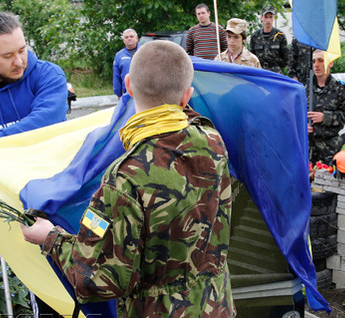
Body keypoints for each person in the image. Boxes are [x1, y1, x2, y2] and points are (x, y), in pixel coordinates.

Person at [21, 40, 236, 318]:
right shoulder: (213, 141)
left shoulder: (123, 178)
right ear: (187, 96)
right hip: (217, 307)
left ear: (128, 85)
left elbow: (99, 279)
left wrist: (50, 238)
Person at [0, 12, 68, 143]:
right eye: (7, 56)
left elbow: (46, 121)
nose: (19, 62)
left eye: (21, 50)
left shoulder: (49, 75)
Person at [307, 50, 345, 164]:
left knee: (327, 180)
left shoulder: (339, 88)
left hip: (329, 148)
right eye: (314, 61)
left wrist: (325, 117)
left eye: (321, 61)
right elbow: (295, 113)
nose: (316, 65)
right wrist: (303, 126)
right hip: (308, 147)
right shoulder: (306, 88)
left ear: (330, 63)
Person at [250, 5, 288, 74]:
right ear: (261, 18)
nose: (268, 20)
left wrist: (277, 68)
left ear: (274, 17)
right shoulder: (255, 36)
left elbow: (286, 58)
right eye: (266, 17)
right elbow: (252, 56)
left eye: (270, 17)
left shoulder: (280, 35)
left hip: (275, 72)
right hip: (259, 71)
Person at [113, 28, 139, 99]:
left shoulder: (144, 51)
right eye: (126, 37)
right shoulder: (119, 55)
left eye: (131, 36)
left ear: (136, 38)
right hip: (127, 93)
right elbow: (116, 76)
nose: (129, 39)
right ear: (124, 40)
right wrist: (119, 94)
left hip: (144, 92)